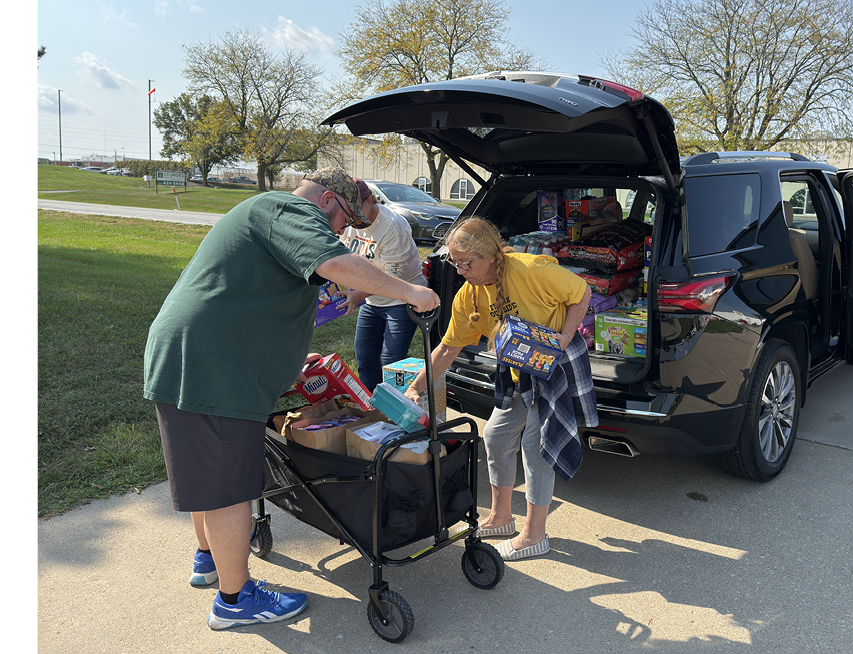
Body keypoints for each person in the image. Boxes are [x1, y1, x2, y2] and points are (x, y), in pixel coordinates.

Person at [143, 166, 439, 630]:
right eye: (344, 222)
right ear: (327, 201)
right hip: (216, 367)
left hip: (197, 357)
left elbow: (272, 297)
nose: (343, 233)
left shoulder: (270, 217)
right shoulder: (287, 207)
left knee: (207, 473)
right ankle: (234, 600)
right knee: (229, 487)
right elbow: (334, 264)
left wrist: (291, 361)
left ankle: (209, 560)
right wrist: (410, 291)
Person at [403, 216, 597, 560]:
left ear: (490, 255)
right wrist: (416, 388)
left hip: (555, 361)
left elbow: (582, 293)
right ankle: (501, 517)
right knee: (495, 435)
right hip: (520, 366)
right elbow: (448, 348)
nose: (460, 269)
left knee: (536, 444)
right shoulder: (470, 296)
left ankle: (535, 535)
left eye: (466, 262)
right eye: (455, 262)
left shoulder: (533, 269)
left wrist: (565, 337)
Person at [340, 180, 425, 391]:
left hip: (401, 297)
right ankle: (372, 409)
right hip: (372, 299)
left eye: (358, 212)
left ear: (370, 200)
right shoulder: (349, 223)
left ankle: (393, 412)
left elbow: (390, 277)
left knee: (392, 362)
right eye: (350, 213)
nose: (353, 220)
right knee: (365, 356)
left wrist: (358, 294)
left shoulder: (392, 225)